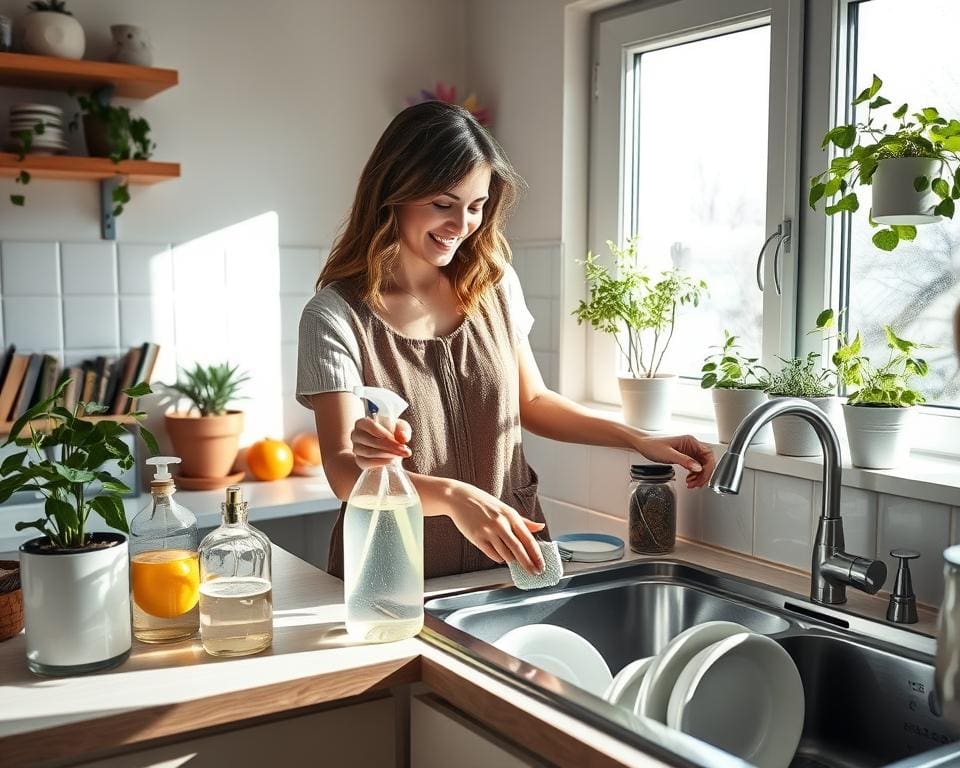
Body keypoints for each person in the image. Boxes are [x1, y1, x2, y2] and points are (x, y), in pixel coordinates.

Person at [297, 101, 716, 580]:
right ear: (394, 190)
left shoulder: (493, 285)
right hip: (389, 583)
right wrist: (456, 497)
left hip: (508, 566)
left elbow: (532, 400)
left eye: (475, 207)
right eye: (442, 203)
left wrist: (638, 439)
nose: (461, 226)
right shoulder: (334, 316)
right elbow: (345, 472)